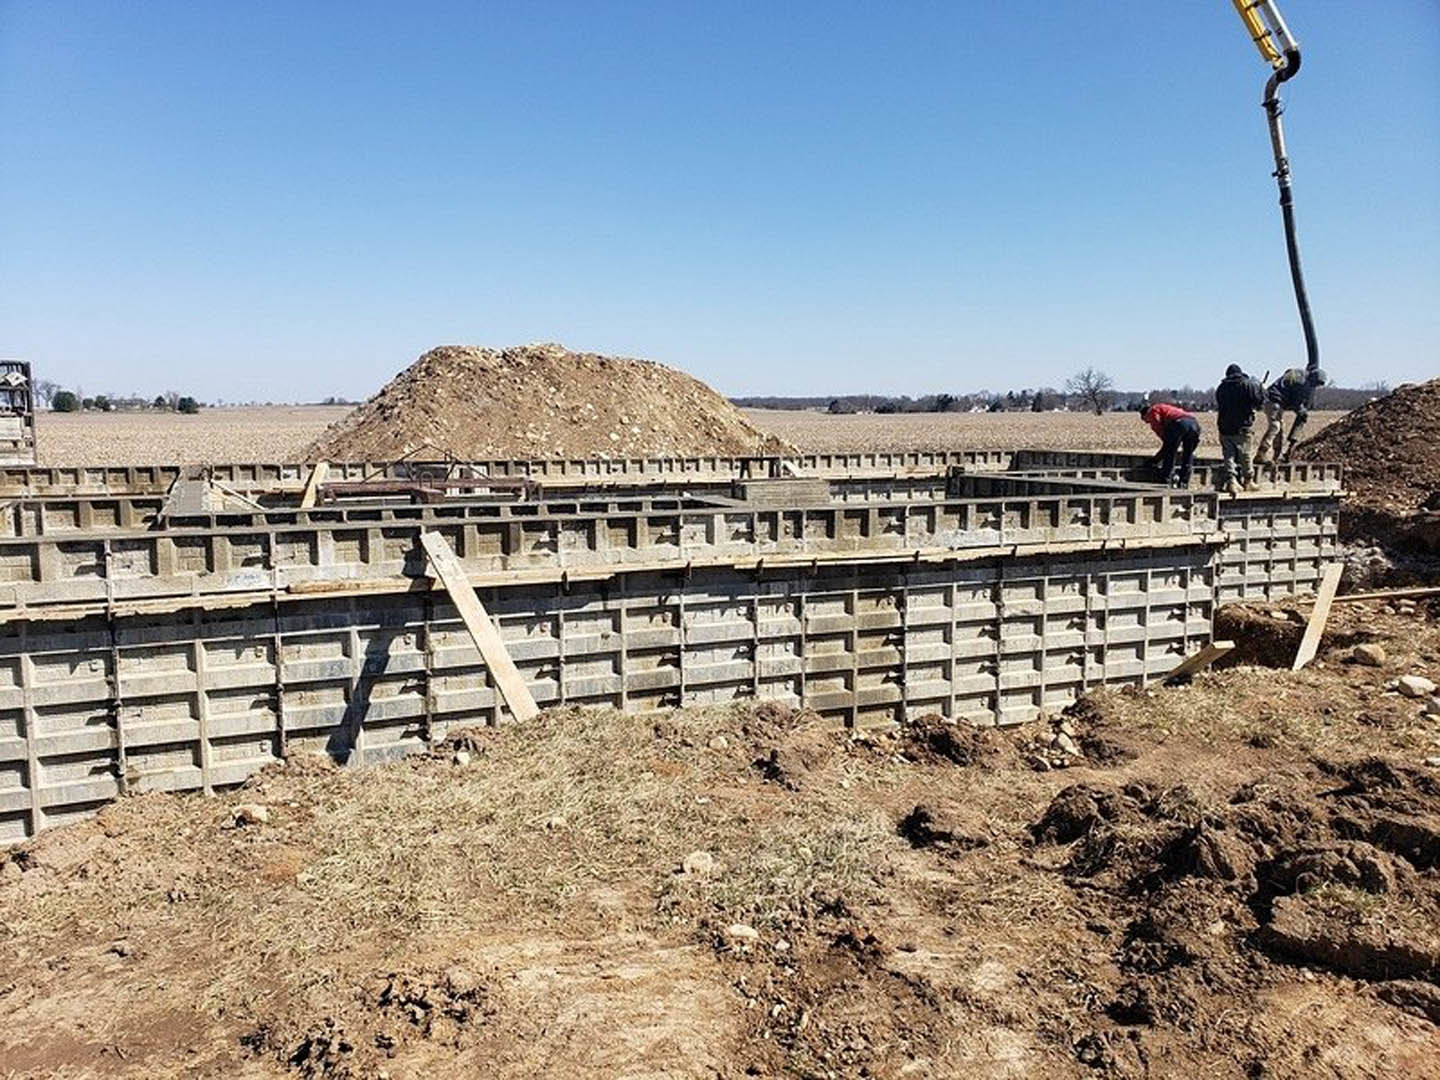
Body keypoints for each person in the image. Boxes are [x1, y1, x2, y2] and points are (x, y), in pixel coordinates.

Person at [1256, 366, 1327, 464]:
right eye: (1316, 384)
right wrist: (1302, 412)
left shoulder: (1299, 373)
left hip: (1274, 400)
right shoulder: (1302, 383)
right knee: (1275, 427)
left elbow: (1288, 372)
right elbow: (1296, 403)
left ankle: (1277, 456)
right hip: (1273, 400)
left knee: (1279, 429)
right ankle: (1261, 454)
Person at [1214, 363, 1265, 494]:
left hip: (1224, 427)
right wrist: (1261, 389)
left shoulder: (1221, 388)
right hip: (1242, 427)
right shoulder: (1247, 385)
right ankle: (1248, 482)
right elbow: (1259, 402)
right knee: (1245, 454)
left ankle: (1232, 481)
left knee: (1228, 455)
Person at [1139, 401, 1201, 487]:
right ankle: (1184, 481)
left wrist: (1154, 460)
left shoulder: (1152, 411)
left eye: (1146, 421)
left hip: (1179, 423)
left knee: (1170, 452)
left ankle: (1166, 478)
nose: (1148, 423)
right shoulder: (1165, 408)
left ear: (1145, 415)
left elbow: (1164, 438)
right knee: (1188, 454)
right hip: (1194, 423)